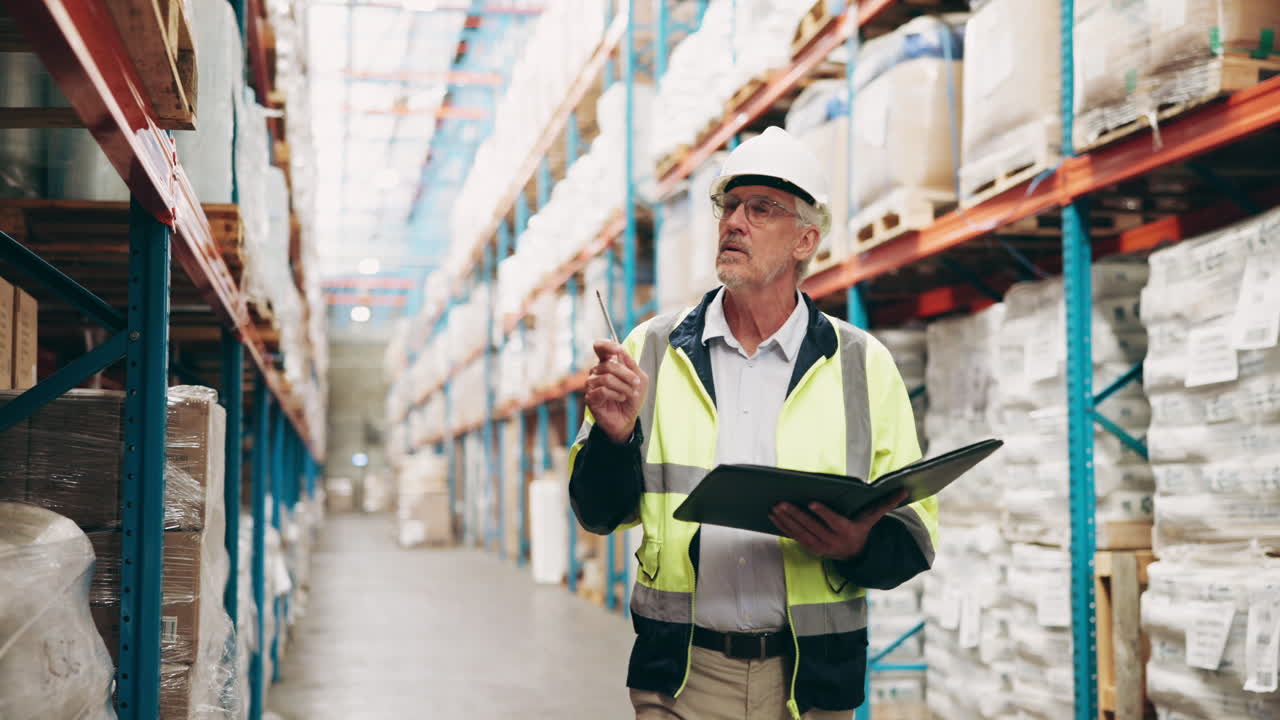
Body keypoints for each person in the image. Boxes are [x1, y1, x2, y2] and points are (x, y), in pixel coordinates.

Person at [569, 126, 937, 720]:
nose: (733, 221)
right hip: (682, 678)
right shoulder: (652, 351)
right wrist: (613, 440)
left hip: (809, 684)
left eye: (760, 208)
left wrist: (859, 544)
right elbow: (598, 512)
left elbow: (915, 533)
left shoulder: (861, 366)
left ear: (805, 240)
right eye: (729, 206)